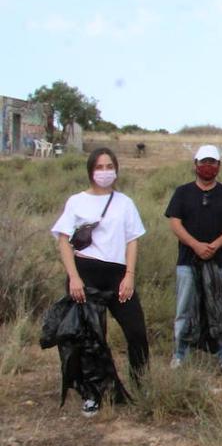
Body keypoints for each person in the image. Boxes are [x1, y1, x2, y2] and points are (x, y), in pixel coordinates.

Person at [51, 148, 149, 416]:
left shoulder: (125, 203)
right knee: (91, 338)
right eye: (99, 167)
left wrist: (129, 275)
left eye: (109, 167)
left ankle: (142, 385)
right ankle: (92, 394)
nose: (105, 172)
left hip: (118, 275)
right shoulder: (77, 201)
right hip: (86, 273)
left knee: (137, 332)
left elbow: (132, 240)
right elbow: (64, 241)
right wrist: (74, 277)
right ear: (90, 170)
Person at [165, 145, 222, 372]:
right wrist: (196, 245)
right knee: (185, 307)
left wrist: (215, 245)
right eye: (203, 162)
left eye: (212, 162)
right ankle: (180, 353)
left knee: (221, 307)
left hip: (220, 262)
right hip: (187, 261)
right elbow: (175, 223)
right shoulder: (182, 192)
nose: (207, 166)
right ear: (195, 164)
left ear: (219, 166)